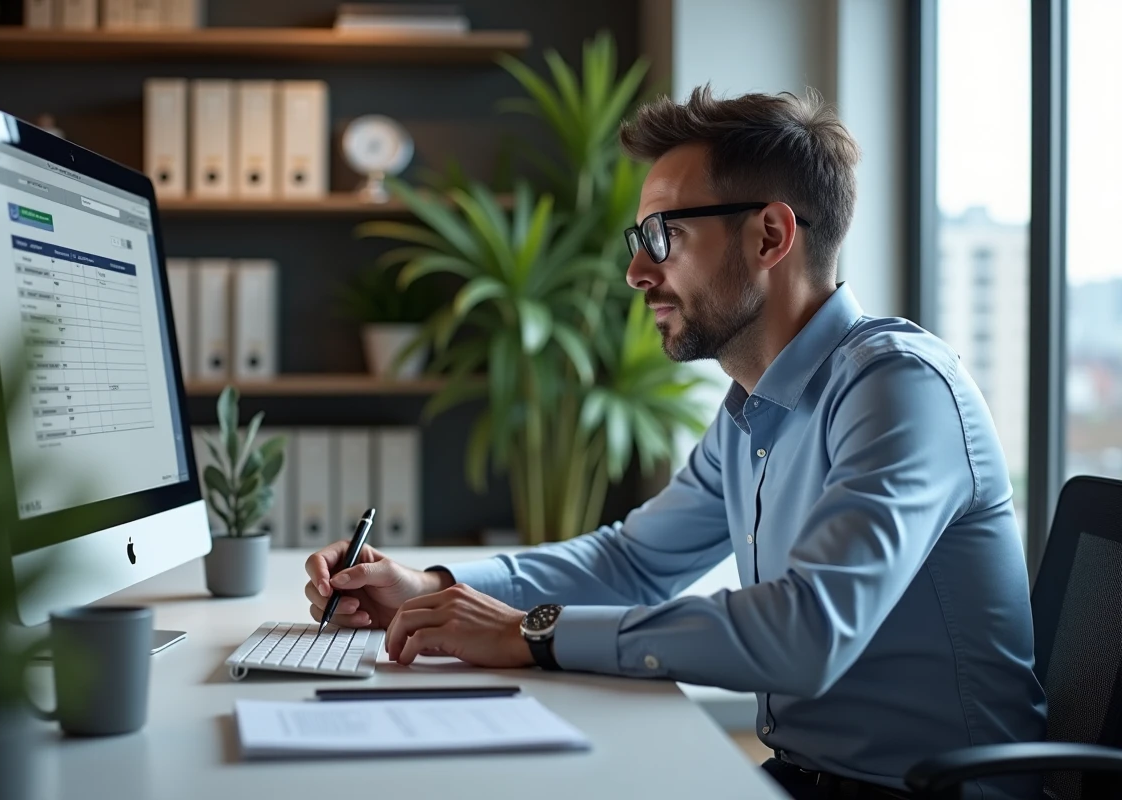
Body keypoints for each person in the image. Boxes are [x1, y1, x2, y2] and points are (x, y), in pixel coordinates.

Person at [304, 86, 1045, 800]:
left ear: (770, 235)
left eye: (664, 235)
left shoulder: (899, 388)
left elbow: (807, 633)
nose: (636, 272)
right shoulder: (753, 409)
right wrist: (433, 588)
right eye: (640, 240)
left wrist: (534, 633)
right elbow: (632, 563)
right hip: (803, 778)